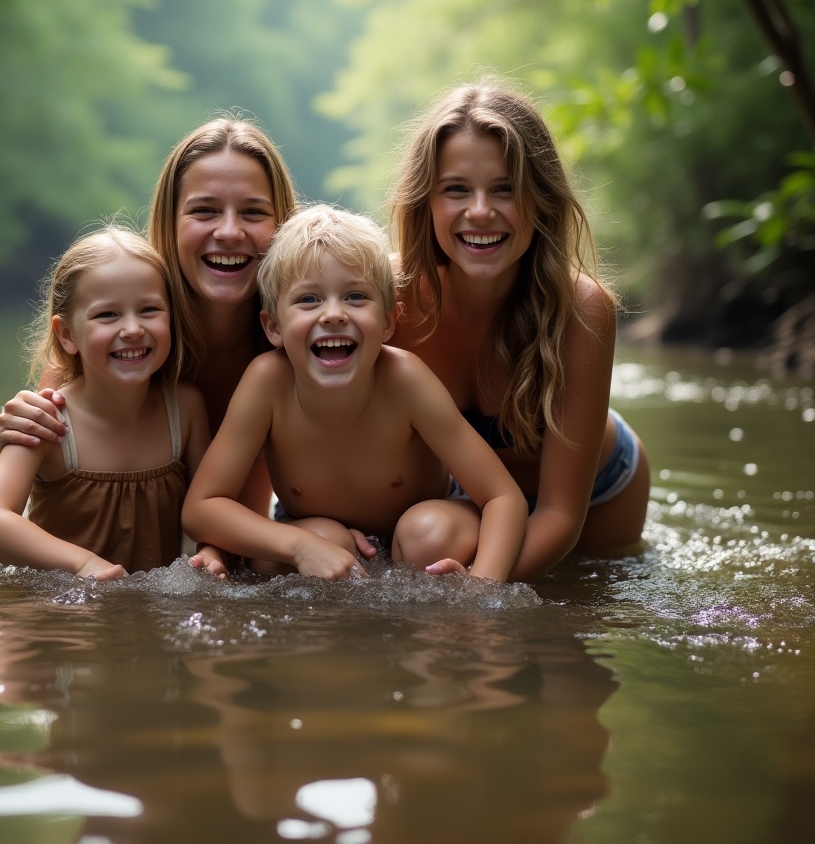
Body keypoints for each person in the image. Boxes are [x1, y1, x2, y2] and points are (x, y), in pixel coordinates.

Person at [387, 81, 651, 583]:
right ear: (427, 201)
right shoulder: (388, 298)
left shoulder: (582, 307)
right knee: (425, 539)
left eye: (505, 188)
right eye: (457, 189)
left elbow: (560, 516)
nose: (481, 210)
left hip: (593, 496)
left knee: (566, 621)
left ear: (541, 200)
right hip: (470, 498)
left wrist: (481, 601)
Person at [180, 203, 528, 582]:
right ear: (273, 327)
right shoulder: (267, 383)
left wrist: (484, 589)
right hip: (318, 532)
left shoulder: (405, 379)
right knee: (300, 548)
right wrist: (298, 546)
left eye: (355, 297)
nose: (333, 314)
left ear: (389, 321)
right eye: (309, 299)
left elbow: (502, 497)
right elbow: (201, 508)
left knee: (425, 534)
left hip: (428, 524)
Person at [0, 116, 298, 528]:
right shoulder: (116, 336)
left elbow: (246, 530)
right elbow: (41, 498)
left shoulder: (302, 341)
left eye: (253, 212)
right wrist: (22, 428)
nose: (228, 231)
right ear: (169, 224)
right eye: (204, 211)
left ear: (283, 225)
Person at [0, 222, 221, 580]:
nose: (133, 329)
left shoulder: (184, 410)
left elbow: (211, 508)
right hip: (63, 612)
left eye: (149, 310)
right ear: (68, 335)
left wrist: (212, 552)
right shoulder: (47, 419)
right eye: (108, 314)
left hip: (147, 618)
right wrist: (82, 563)